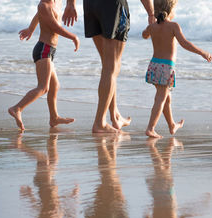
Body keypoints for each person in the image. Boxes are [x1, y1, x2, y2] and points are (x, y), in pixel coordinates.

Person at [61, 0, 156, 133]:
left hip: (90, 5)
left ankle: (115, 115)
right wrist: (151, 13)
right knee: (112, 67)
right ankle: (100, 122)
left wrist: (70, 4)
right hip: (112, 6)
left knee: (108, 65)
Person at [142, 0, 212, 138]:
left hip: (154, 65)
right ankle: (150, 128)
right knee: (161, 98)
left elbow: (144, 35)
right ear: (171, 10)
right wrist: (202, 52)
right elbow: (185, 43)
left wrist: (149, 28)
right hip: (166, 67)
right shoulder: (173, 26)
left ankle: (172, 125)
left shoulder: (153, 26)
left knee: (166, 98)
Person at [8, 0, 80, 131]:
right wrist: (73, 37)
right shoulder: (43, 5)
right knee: (43, 87)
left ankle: (54, 117)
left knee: (55, 86)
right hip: (43, 49)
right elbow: (54, 27)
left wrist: (30, 29)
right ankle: (17, 108)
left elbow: (37, 16)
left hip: (50, 50)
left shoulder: (57, 2)